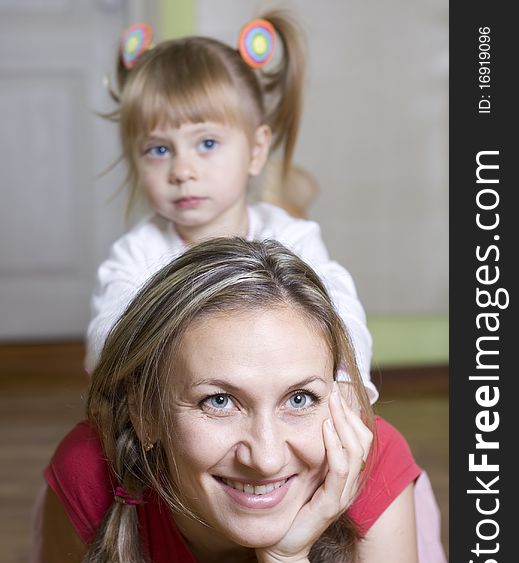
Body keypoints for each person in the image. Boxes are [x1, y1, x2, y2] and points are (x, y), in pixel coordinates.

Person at [41, 238, 423, 563]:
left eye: (300, 398)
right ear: (146, 415)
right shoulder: (88, 473)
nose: (266, 458)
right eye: (220, 401)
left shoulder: (376, 462)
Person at [84, 13, 377, 412]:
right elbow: (107, 342)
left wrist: (345, 383)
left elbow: (343, 315)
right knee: (79, 457)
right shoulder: (137, 254)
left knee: (389, 448)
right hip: (183, 416)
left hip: (283, 407)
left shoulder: (292, 237)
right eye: (159, 150)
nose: (182, 170)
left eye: (206, 143)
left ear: (256, 151)